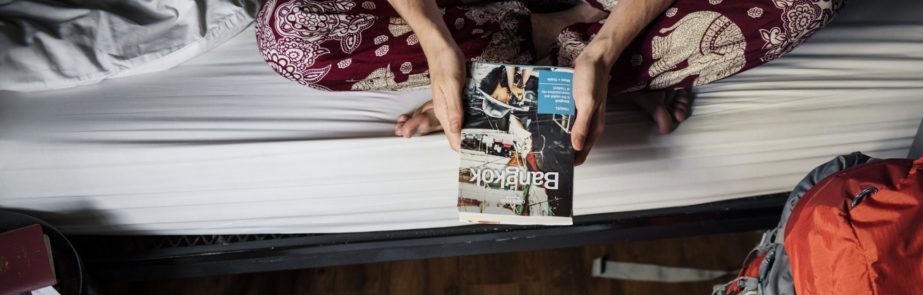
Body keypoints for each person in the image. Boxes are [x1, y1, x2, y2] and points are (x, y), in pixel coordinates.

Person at [256, 0, 844, 164]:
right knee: (290, 32)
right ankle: (499, 63)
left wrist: (608, 49)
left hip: (618, 7)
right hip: (468, 11)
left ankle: (579, 62)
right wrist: (437, 47)